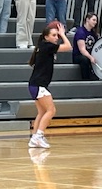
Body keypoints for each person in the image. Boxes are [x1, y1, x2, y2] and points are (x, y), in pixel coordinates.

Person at [27, 21, 72, 149]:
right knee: (51, 110)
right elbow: (68, 47)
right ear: (46, 37)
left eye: (57, 36)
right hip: (39, 85)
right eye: (54, 35)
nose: (56, 38)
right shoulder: (47, 46)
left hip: (34, 85)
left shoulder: (43, 46)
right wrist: (63, 34)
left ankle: (34, 138)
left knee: (41, 112)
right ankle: (38, 136)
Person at [72, 12, 99, 80]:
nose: (95, 22)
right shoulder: (80, 32)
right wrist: (91, 57)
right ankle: (86, 79)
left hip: (89, 55)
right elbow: (82, 50)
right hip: (78, 56)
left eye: (96, 20)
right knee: (85, 59)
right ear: (87, 20)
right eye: (93, 20)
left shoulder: (94, 33)